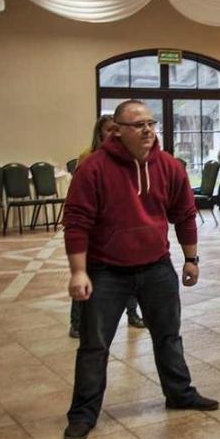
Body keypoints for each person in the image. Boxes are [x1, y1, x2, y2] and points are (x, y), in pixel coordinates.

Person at [62, 100, 218, 439]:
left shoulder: (168, 166)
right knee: (94, 345)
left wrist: (191, 259)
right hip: (105, 270)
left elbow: (184, 213)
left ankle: (179, 394)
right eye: (138, 125)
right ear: (118, 131)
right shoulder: (94, 168)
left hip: (156, 266)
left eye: (150, 123)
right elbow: (76, 222)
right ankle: (83, 413)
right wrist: (78, 271)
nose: (147, 130)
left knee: (168, 336)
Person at [69, 115, 145, 338]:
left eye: (116, 129)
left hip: (122, 227)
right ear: (100, 133)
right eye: (109, 129)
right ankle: (76, 323)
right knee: (86, 277)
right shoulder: (89, 157)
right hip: (97, 229)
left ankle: (133, 314)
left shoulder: (126, 156)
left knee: (131, 273)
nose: (114, 133)